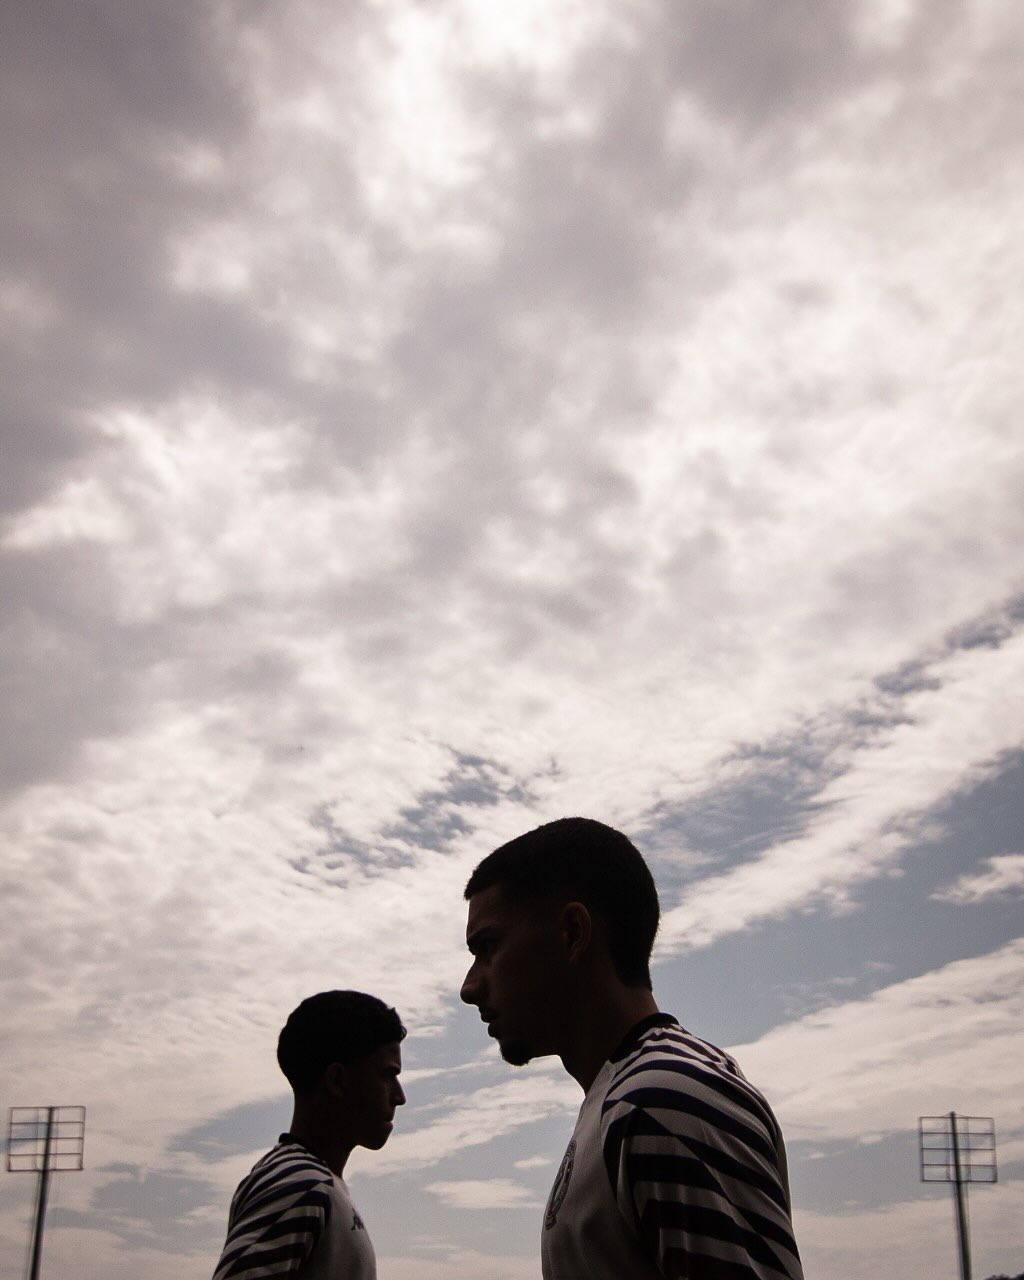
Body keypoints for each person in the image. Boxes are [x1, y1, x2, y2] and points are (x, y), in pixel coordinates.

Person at [460, 817, 803, 1280]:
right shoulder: (631, 1100)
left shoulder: (665, 1100)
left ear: (572, 933)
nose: (469, 987)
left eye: (487, 947)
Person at [213, 990, 406, 1280]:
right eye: (387, 1076)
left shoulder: (314, 1184)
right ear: (337, 1080)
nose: (399, 1096)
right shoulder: (300, 1182)